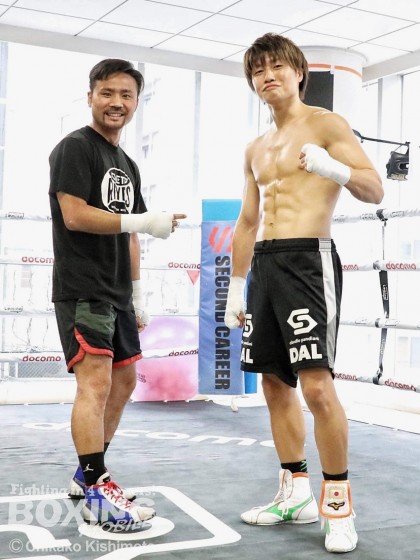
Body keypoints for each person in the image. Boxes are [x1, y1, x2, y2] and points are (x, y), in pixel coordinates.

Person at [224, 33, 383, 553]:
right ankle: (294, 493)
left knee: (316, 386)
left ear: (298, 73)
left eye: (277, 66)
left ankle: (337, 506)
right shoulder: (255, 148)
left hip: (308, 261)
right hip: (264, 266)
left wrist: (334, 167)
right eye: (258, 70)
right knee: (273, 384)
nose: (267, 76)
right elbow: (247, 221)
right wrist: (236, 287)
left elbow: (374, 188)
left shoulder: (327, 124)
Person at [49, 58, 186, 526]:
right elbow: (74, 215)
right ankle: (97, 491)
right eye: (107, 93)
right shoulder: (74, 148)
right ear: (90, 96)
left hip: (117, 291)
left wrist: (138, 293)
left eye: (126, 95)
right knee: (95, 383)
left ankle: (87, 474)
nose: (116, 103)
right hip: (83, 287)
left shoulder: (127, 163)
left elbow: (131, 234)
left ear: (136, 103)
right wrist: (142, 220)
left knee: (124, 381)